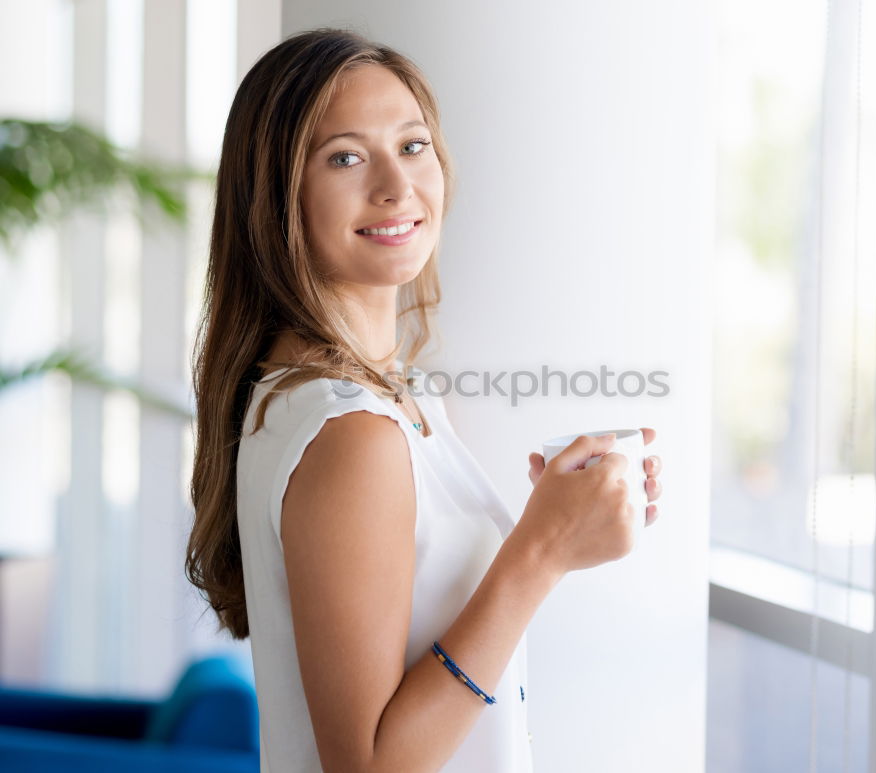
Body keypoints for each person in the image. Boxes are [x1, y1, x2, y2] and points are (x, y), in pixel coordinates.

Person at [185, 27, 663, 773]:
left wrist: (561, 520)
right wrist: (539, 552)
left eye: (412, 145)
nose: (397, 185)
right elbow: (371, 765)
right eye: (345, 157)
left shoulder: (388, 393)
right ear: (278, 198)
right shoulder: (352, 432)